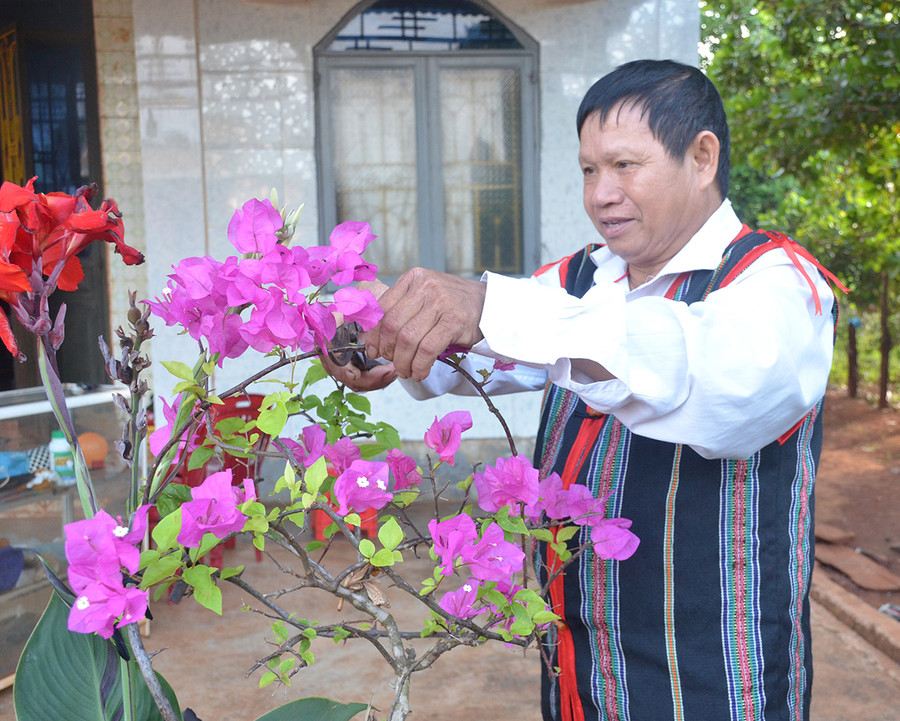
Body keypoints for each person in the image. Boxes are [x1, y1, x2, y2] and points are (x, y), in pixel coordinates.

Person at [324, 59, 844, 721]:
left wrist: (489, 306)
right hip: (582, 674)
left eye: (625, 165)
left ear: (702, 156)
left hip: (717, 682)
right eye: (589, 170)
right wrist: (387, 339)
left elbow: (712, 376)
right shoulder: (582, 281)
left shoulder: (778, 283)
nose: (601, 194)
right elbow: (485, 354)